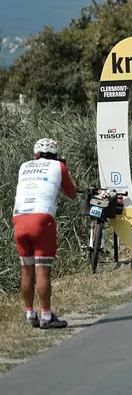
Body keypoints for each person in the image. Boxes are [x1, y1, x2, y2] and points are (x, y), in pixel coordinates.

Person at [13, 138, 76, 329]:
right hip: (42, 218)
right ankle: (47, 316)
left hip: (19, 218)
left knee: (26, 270)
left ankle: (29, 313)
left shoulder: (24, 166)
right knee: (42, 270)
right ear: (56, 154)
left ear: (36, 154)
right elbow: (72, 193)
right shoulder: (59, 166)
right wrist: (64, 169)